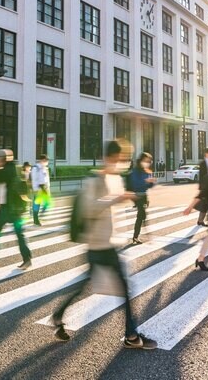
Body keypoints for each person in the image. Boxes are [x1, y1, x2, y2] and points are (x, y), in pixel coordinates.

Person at [52, 140, 157, 350]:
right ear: (110, 158)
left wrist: (125, 198)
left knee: (84, 286)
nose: (120, 164)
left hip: (106, 243)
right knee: (125, 288)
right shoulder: (95, 179)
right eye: (119, 160)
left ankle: (58, 316)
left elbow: (111, 207)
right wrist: (115, 198)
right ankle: (131, 336)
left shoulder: (114, 177)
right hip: (100, 244)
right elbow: (89, 209)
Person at [129, 152, 156, 244]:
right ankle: (141, 236)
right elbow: (135, 184)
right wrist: (146, 181)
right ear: (141, 160)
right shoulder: (135, 171)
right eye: (145, 161)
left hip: (144, 196)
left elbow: (149, 186)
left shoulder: (147, 171)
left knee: (141, 216)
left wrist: (151, 182)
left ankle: (137, 236)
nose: (147, 163)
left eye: (149, 162)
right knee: (141, 215)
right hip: (137, 196)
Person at [31, 154, 51, 226]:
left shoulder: (45, 168)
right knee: (37, 204)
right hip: (38, 188)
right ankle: (36, 219)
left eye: (47, 161)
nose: (46, 162)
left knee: (47, 203)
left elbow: (47, 179)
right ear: (41, 160)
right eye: (45, 160)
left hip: (45, 188)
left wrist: (48, 188)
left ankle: (41, 215)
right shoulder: (36, 168)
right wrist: (36, 189)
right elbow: (34, 180)